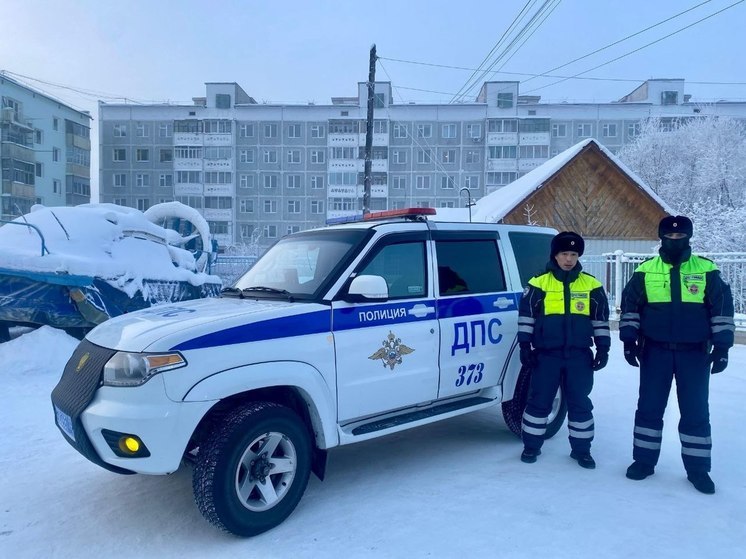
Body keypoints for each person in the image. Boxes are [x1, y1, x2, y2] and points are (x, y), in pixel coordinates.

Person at [619, 215, 735, 494]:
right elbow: (630, 307)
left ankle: (698, 469)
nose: (674, 241)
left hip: (694, 354)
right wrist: (628, 340)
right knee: (649, 409)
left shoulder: (707, 269)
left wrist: (722, 347)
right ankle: (644, 462)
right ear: (661, 238)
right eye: (669, 237)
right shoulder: (645, 271)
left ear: (688, 237)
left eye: (679, 237)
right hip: (654, 352)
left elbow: (721, 310)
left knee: (695, 412)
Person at [517, 231, 611, 468]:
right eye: (564, 254)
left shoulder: (591, 284)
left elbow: (600, 320)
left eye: (573, 254)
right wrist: (525, 346)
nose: (569, 259)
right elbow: (526, 318)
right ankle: (531, 446)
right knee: (540, 401)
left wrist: (603, 349)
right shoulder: (538, 283)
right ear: (555, 255)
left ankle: (582, 450)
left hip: (578, 356)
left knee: (580, 402)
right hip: (546, 355)